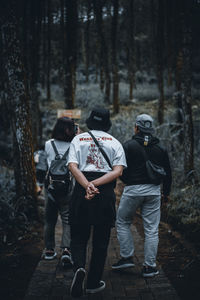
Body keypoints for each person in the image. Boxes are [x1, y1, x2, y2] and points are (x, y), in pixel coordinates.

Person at [67, 107, 127, 297]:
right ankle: (93, 282)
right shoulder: (115, 143)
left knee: (78, 235)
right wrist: (95, 185)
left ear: (91, 121)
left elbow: (72, 166)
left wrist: (86, 185)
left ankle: (79, 267)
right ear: (107, 123)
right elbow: (118, 172)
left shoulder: (79, 139)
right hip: (105, 193)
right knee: (101, 241)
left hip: (81, 192)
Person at [112, 114, 172, 278]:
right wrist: (165, 193)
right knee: (152, 230)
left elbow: (120, 170)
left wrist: (129, 181)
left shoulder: (128, 146)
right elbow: (168, 174)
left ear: (136, 127)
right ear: (151, 129)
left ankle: (126, 257)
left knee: (123, 221)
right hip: (153, 191)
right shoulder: (161, 148)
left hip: (133, 190)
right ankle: (149, 267)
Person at [36, 117, 77, 266]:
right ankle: (66, 249)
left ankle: (49, 250)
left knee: (50, 219)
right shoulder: (74, 145)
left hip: (51, 188)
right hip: (68, 188)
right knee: (67, 219)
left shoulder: (48, 144)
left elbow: (41, 168)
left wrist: (39, 184)